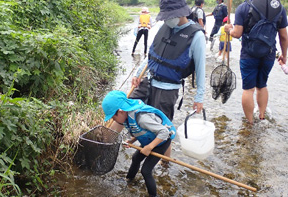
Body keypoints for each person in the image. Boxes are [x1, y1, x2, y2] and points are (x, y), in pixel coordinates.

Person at [127, 0, 206, 164]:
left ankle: (165, 164)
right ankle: (121, 140)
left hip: (168, 89)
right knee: (128, 108)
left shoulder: (196, 36)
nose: (167, 20)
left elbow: (200, 69)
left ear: (182, 13)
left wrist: (199, 97)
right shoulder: (163, 27)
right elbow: (152, 55)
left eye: (170, 16)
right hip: (148, 81)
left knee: (163, 128)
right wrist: (137, 74)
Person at [102, 90, 176, 197]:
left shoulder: (142, 118)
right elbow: (140, 131)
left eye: (113, 117)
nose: (114, 120)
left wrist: (150, 147)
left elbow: (164, 132)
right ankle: (129, 180)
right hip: (150, 140)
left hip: (161, 142)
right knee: (136, 158)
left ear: (121, 111)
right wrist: (131, 141)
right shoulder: (127, 116)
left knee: (145, 171)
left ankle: (153, 195)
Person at [224, 0, 288, 124]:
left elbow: (237, 34)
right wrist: (284, 56)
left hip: (249, 54)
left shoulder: (244, 7)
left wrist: (229, 30)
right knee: (262, 85)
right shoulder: (279, 8)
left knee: (248, 89)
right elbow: (284, 36)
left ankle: (249, 122)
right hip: (269, 54)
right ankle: (262, 116)